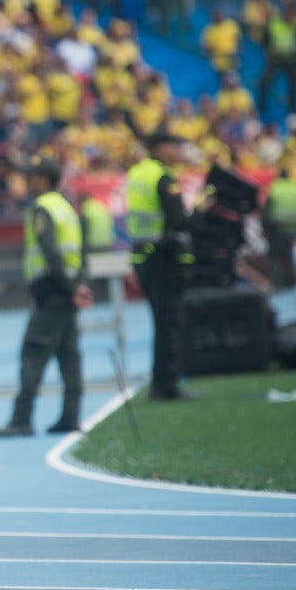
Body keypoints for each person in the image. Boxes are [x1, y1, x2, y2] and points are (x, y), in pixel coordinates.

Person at [0, 156, 94, 437]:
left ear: (43, 178)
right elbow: (81, 252)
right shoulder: (66, 207)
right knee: (69, 355)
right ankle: (70, 417)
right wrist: (80, 286)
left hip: (52, 292)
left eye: (33, 175)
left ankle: (21, 419)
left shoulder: (43, 208)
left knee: (33, 352)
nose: (29, 180)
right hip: (68, 291)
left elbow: (50, 251)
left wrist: (69, 288)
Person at [125, 130, 199, 401]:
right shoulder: (163, 177)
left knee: (160, 321)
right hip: (164, 258)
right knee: (169, 323)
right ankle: (166, 386)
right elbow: (179, 221)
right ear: (161, 147)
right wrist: (201, 212)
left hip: (142, 257)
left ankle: (160, 383)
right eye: (174, 146)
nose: (178, 152)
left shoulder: (137, 173)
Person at [263, 168, 296, 288]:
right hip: (294, 227)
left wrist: (265, 229)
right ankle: (292, 281)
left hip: (277, 227)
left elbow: (266, 209)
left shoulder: (274, 187)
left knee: (273, 256)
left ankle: (277, 283)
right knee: (290, 256)